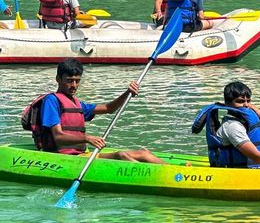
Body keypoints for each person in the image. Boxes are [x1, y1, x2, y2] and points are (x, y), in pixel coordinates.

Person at [25, 58, 166, 164]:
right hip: (64, 158)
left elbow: (108, 108)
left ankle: (179, 172)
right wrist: (87, 138)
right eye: (69, 80)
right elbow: (58, 137)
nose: (74, 85)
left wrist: (127, 93)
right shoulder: (52, 101)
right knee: (121, 155)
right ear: (58, 79)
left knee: (143, 153)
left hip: (81, 154)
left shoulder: (77, 103)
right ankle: (163, 177)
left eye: (77, 81)